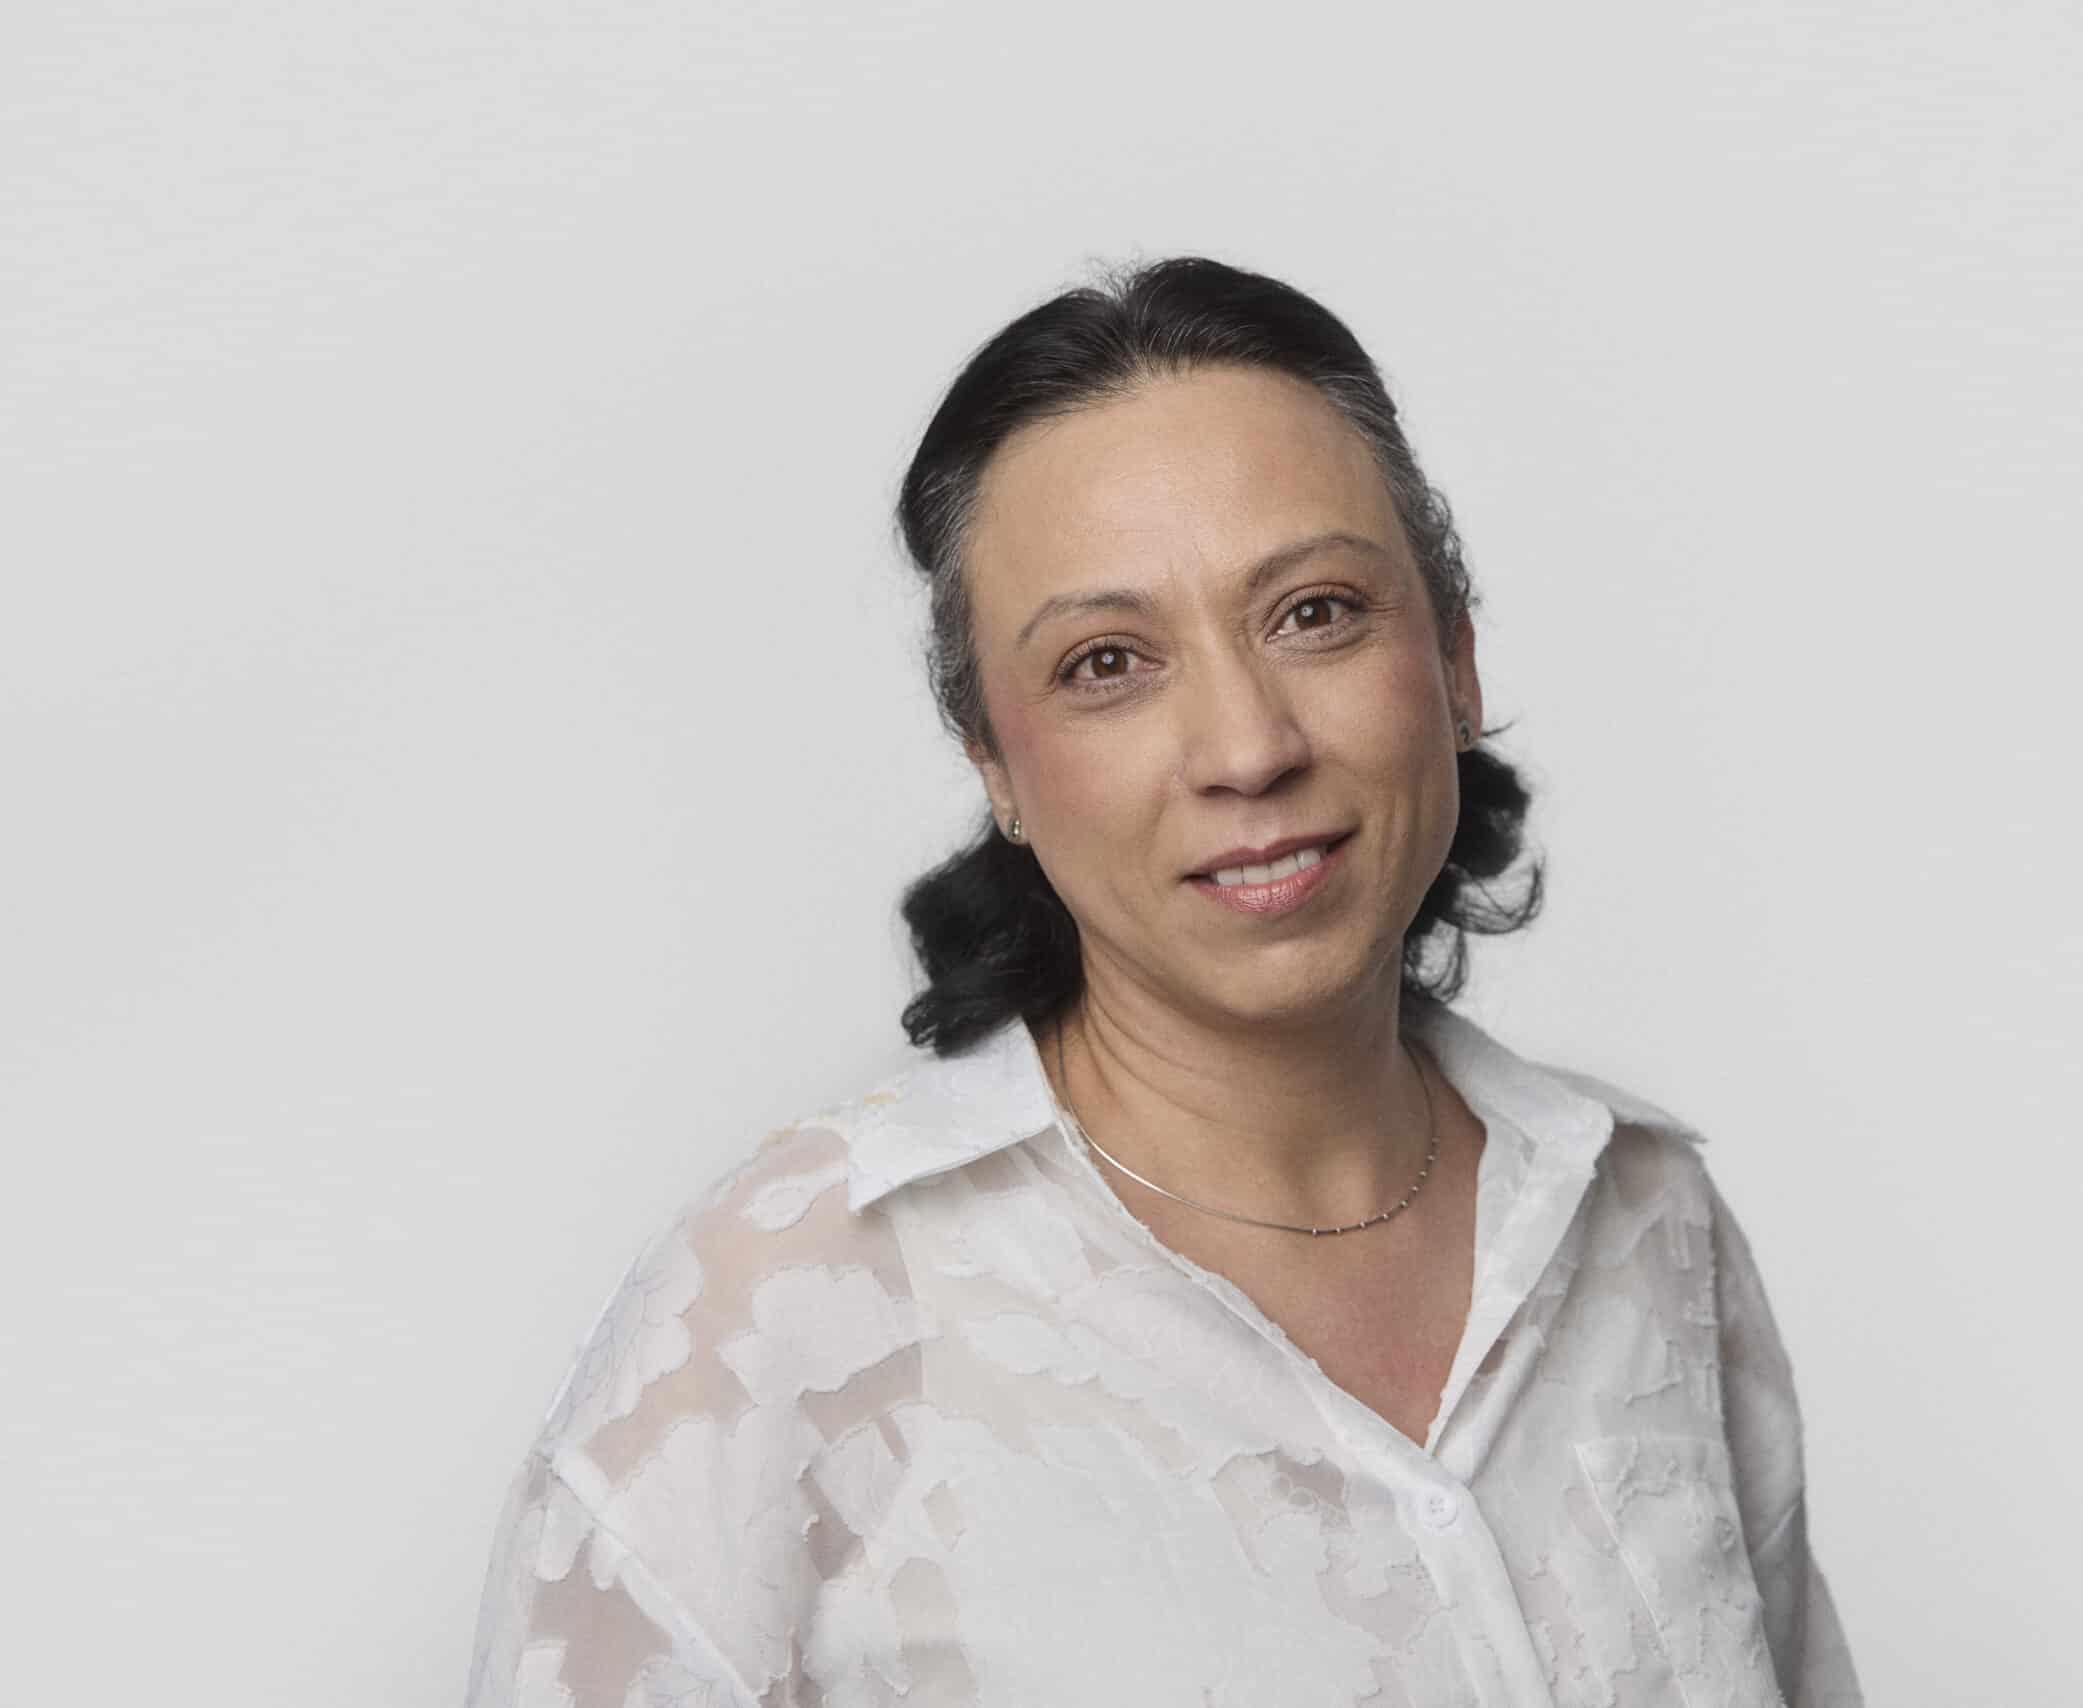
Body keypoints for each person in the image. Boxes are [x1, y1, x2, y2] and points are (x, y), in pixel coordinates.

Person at [464, 255, 1863, 1707]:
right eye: (1108, 661)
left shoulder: (1647, 1222)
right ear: (995, 765)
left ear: (1452, 658)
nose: (1248, 745)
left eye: (1315, 613)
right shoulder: (785, 1319)